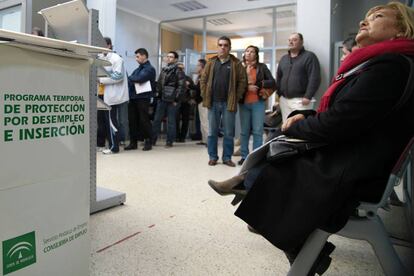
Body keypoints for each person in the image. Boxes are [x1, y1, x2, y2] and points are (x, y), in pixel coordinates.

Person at [208, 2, 414, 274]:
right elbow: (350, 113)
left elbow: (340, 122)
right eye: (365, 17)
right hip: (359, 156)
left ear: (401, 31)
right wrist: (307, 117)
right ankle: (258, 200)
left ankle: (253, 192)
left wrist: (295, 126)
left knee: (276, 161)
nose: (364, 22)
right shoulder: (386, 64)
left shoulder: (390, 67)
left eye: (376, 17)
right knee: (278, 151)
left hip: (355, 170)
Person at [200, 36, 247, 166]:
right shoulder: (211, 62)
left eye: (225, 45)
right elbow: (203, 80)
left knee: (228, 132)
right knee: (212, 132)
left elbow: (243, 81)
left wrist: (236, 96)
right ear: (217, 47)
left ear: (229, 48)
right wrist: (205, 95)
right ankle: (213, 157)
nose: (223, 47)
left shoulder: (236, 63)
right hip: (212, 102)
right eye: (220, 45)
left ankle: (227, 158)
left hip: (228, 103)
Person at [238, 45, 276, 165]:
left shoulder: (262, 67)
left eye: (252, 51)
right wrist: (247, 87)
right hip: (243, 103)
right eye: (247, 51)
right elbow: (234, 84)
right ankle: (244, 156)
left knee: (257, 131)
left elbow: (272, 82)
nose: (249, 53)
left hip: (258, 103)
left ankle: (256, 157)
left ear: (256, 55)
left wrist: (260, 84)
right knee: (244, 131)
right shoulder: (240, 67)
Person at [276, 33, 321, 122]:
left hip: (301, 101)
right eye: (289, 40)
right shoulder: (284, 58)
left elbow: (314, 77)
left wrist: (308, 96)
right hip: (284, 100)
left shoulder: (309, 56)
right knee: (286, 126)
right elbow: (279, 77)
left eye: (294, 40)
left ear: (301, 42)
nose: (291, 42)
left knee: (300, 127)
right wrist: (279, 95)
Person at [98, 37, 129, 154]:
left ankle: (114, 147)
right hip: (101, 94)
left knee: (111, 122)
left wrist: (101, 79)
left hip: (111, 95)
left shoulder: (116, 59)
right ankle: (108, 144)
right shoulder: (101, 57)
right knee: (104, 122)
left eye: (102, 45)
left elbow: (118, 77)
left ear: (109, 45)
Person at [152, 51, 185, 148]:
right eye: (168, 56)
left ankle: (169, 141)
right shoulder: (164, 69)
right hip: (162, 98)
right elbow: (159, 83)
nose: (168, 58)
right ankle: (153, 140)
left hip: (172, 100)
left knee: (171, 121)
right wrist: (157, 94)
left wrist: (176, 99)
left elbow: (181, 86)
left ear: (175, 59)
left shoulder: (178, 71)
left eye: (171, 57)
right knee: (157, 119)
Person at [125, 48, 156, 151]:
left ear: (144, 56)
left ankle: (148, 141)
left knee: (144, 120)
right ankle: (133, 142)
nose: (136, 59)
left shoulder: (149, 69)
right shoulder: (138, 68)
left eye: (137, 56)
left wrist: (130, 78)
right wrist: (131, 79)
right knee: (132, 120)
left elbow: (139, 79)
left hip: (143, 98)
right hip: (134, 97)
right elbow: (132, 79)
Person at [175, 62, 194, 143]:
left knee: (185, 120)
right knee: (175, 120)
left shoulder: (188, 78)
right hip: (176, 101)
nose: (181, 70)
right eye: (179, 68)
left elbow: (194, 89)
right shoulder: (173, 78)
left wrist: (188, 86)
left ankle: (182, 137)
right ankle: (176, 136)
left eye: (182, 68)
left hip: (186, 102)